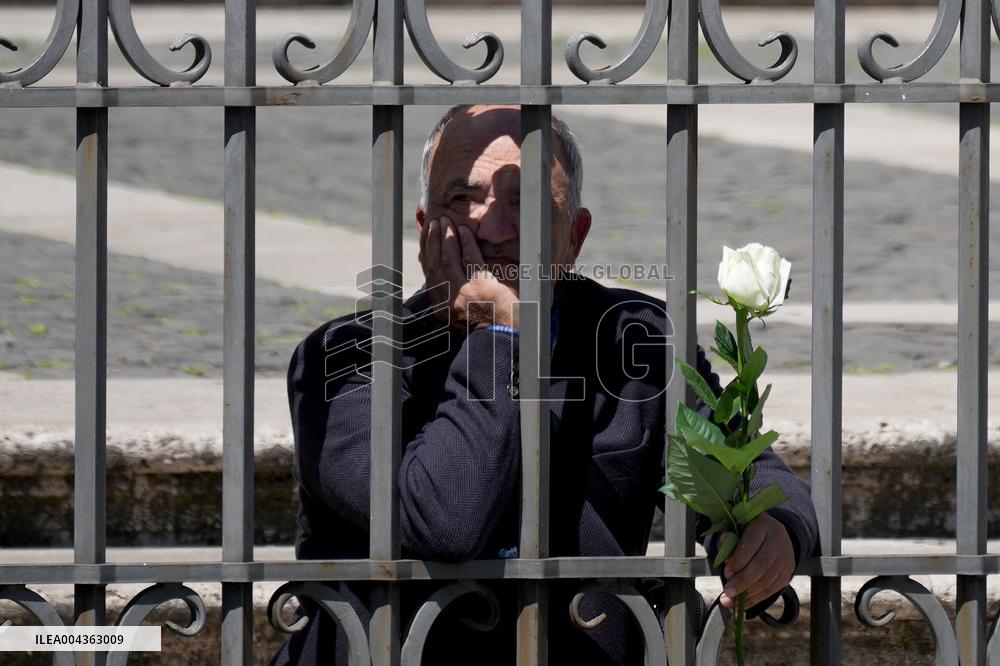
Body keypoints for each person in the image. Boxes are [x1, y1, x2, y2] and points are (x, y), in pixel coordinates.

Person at [269, 105, 818, 665]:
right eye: (462, 199)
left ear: (574, 236)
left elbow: (750, 473)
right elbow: (445, 523)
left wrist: (775, 529)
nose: (493, 229)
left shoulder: (633, 338)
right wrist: (501, 334)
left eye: (526, 202)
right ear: (424, 226)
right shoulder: (346, 358)